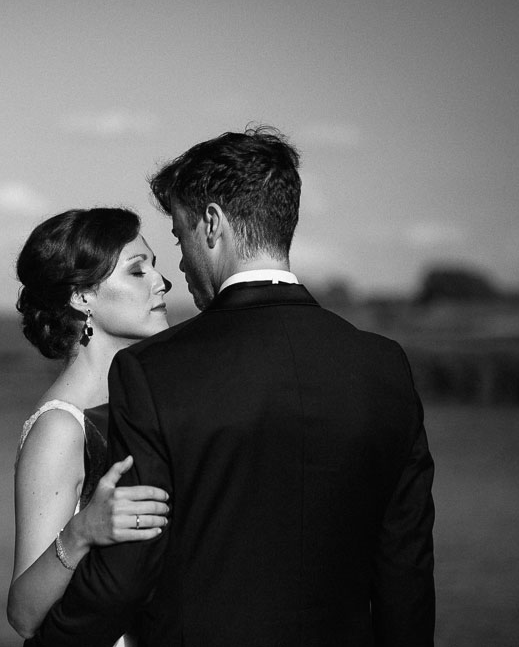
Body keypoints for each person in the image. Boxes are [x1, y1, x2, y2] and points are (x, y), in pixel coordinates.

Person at [25, 126, 435, 646]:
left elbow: (130, 570)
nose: (176, 265)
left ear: (212, 225)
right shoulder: (385, 366)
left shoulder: (153, 372)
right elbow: (407, 568)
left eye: (178, 236)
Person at [9, 208, 173, 645]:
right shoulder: (60, 427)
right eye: (138, 271)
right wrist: (83, 531)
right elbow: (24, 615)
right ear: (82, 297)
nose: (161, 282)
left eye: (154, 265)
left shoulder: (139, 404)